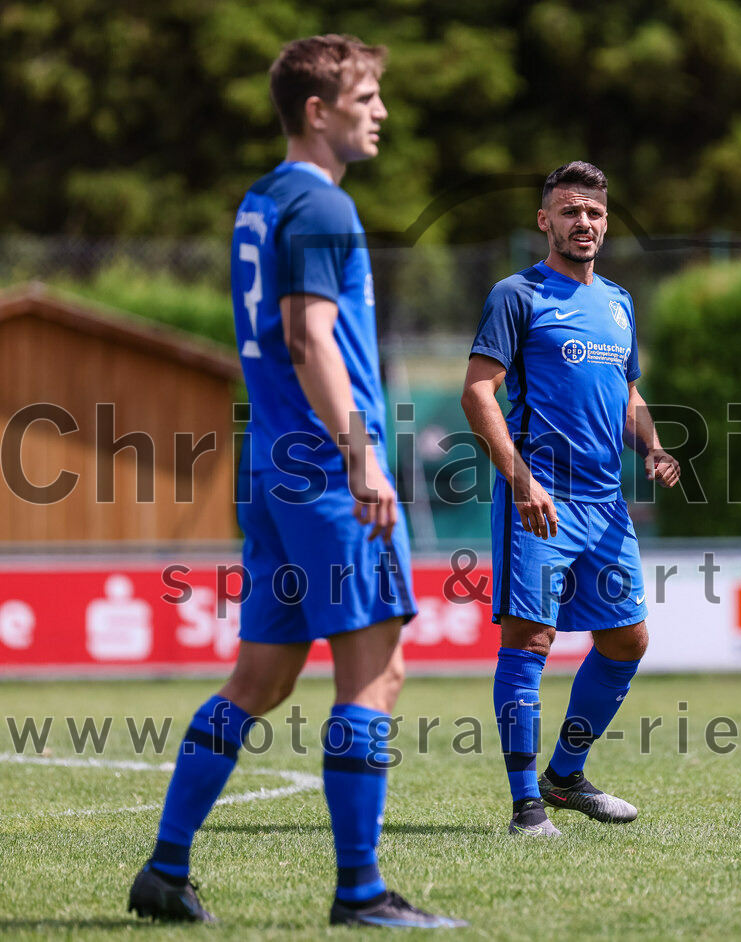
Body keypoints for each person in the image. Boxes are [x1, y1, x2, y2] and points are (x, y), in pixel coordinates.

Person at [128, 34, 466, 929]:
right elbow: (311, 334)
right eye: (366, 97)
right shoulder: (322, 208)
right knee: (377, 677)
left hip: (274, 467)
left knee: (260, 682)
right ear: (318, 112)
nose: (381, 111)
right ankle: (360, 892)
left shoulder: (261, 200)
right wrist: (360, 457)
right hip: (324, 471)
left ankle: (165, 869)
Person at [461, 161, 680, 836]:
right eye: (569, 211)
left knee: (627, 640)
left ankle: (564, 776)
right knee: (531, 639)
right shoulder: (516, 295)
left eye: (593, 213)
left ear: (606, 223)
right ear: (545, 221)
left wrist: (651, 444)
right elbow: (477, 391)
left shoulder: (618, 301)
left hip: (606, 504)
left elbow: (628, 393)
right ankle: (527, 804)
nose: (582, 223)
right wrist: (521, 480)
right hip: (541, 499)